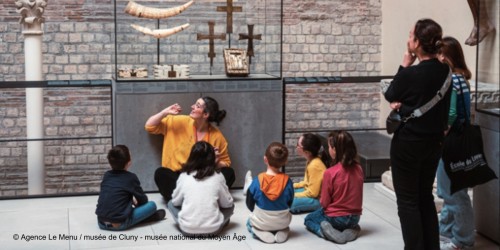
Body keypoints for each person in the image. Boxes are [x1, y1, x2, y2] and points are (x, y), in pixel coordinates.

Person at [384, 19, 452, 250]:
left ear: (417, 43)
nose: (407, 38)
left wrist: (404, 65)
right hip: (434, 142)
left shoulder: (411, 73)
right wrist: (405, 107)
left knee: (408, 201)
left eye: (410, 35)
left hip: (409, 143)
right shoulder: (445, 71)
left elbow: (391, 93)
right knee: (425, 197)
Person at [145, 96, 235, 201]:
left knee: (229, 173)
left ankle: (189, 200)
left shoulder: (217, 136)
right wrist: (164, 112)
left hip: (203, 178)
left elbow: (226, 163)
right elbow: (149, 126)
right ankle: (199, 200)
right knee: (161, 173)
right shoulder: (178, 121)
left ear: (205, 114)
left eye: (197, 106)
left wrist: (216, 161)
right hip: (179, 177)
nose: (192, 107)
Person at [436, 36, 474, 250]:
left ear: (450, 56)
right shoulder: (462, 78)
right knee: (449, 188)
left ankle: (463, 239)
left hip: (452, 141)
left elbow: (450, 113)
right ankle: (446, 229)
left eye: (442, 54)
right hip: (461, 140)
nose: (439, 58)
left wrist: (440, 133)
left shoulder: (453, 79)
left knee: (454, 192)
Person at [304, 131, 364, 244]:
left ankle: (325, 232)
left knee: (309, 219)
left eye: (329, 147)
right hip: (355, 217)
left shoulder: (330, 173)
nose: (328, 149)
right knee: (349, 223)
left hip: (336, 219)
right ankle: (352, 230)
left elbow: (325, 203)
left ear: (335, 150)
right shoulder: (359, 168)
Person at [167, 141, 234, 236]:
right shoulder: (218, 176)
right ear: (212, 158)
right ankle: (219, 221)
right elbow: (227, 204)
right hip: (213, 230)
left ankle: (189, 221)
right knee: (231, 205)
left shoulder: (184, 176)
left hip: (188, 230)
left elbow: (175, 202)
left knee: (170, 203)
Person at [95, 145, 166, 230]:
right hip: (119, 224)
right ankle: (146, 218)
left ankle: (136, 218)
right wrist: (137, 204)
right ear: (129, 163)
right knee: (152, 205)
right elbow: (143, 200)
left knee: (123, 209)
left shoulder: (107, 175)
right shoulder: (131, 178)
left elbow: (113, 194)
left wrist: (129, 200)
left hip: (101, 222)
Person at [244, 142, 294, 244]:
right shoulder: (288, 181)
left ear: (265, 159)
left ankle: (258, 231)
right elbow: (290, 203)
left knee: (249, 222)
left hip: (262, 221)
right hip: (282, 221)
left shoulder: (257, 180)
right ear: (285, 161)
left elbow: (249, 203)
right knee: (284, 220)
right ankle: (283, 230)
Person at [290, 133, 327, 214]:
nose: (296, 147)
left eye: (298, 145)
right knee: (289, 191)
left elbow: (313, 193)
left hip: (318, 199)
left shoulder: (314, 165)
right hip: (312, 192)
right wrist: (293, 186)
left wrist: (294, 195)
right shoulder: (310, 160)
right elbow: (307, 183)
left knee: (292, 203)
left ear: (307, 152)